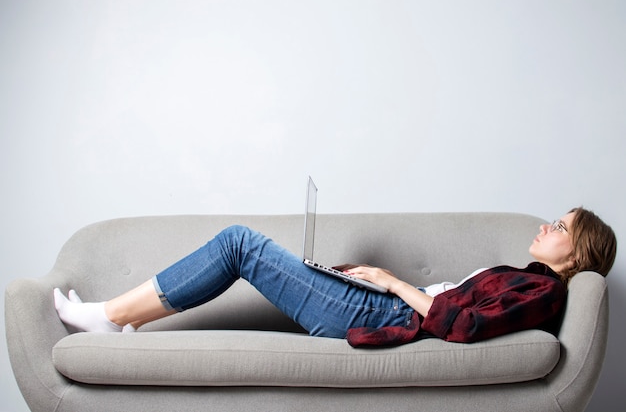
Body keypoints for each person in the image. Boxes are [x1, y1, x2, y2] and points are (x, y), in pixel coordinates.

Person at [54, 207, 617, 347]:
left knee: (238, 243)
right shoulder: (529, 278)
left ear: (579, 253)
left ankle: (109, 319)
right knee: (242, 244)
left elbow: (462, 326)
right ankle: (117, 319)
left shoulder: (543, 290)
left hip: (384, 314)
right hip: (380, 302)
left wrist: (392, 283)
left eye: (560, 225)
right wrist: (379, 279)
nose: (547, 225)